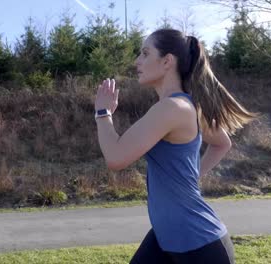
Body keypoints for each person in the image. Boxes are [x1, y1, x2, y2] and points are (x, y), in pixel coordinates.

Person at [94, 28, 257, 264]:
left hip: (200, 247)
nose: (136, 61)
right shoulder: (186, 106)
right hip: (167, 237)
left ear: (167, 61)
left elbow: (116, 157)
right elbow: (222, 143)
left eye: (145, 54)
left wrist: (102, 112)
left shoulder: (172, 109)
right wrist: (191, 178)